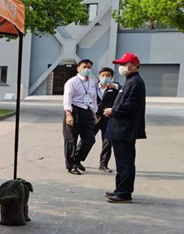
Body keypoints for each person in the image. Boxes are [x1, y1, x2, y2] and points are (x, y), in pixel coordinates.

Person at [104, 53, 146, 203]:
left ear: (134, 66)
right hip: (120, 128)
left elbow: (130, 106)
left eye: (124, 64)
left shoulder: (135, 82)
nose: (121, 67)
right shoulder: (130, 81)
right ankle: (120, 189)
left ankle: (124, 193)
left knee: (125, 162)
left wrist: (112, 111)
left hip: (125, 129)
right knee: (121, 162)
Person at [62, 59, 98, 175]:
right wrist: (68, 114)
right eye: (84, 67)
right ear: (78, 69)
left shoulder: (92, 82)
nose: (87, 69)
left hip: (87, 111)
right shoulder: (72, 82)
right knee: (71, 139)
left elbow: (93, 98)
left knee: (90, 139)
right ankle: (71, 165)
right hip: (74, 110)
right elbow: (67, 98)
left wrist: (94, 113)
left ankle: (77, 159)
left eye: (89, 67)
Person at [95, 67, 121, 172]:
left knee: (107, 142)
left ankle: (103, 164)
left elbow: (123, 90)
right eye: (103, 75)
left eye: (108, 75)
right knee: (87, 140)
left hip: (108, 118)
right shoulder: (93, 87)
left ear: (112, 77)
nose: (105, 77)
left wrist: (114, 86)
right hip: (94, 117)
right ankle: (77, 160)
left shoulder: (115, 87)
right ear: (99, 76)